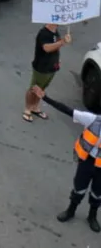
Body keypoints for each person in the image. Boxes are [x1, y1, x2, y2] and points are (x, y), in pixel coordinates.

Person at [29, 85, 101, 232]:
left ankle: (92, 216)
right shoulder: (93, 120)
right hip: (87, 162)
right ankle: (71, 210)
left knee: (98, 192)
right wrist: (45, 97)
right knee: (79, 187)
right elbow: (68, 111)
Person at [26, 23, 68, 122]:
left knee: (42, 88)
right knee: (33, 88)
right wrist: (62, 42)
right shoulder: (44, 33)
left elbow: (56, 48)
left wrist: (57, 60)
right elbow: (47, 48)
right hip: (42, 67)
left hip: (52, 67)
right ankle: (27, 109)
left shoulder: (55, 32)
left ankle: (35, 107)